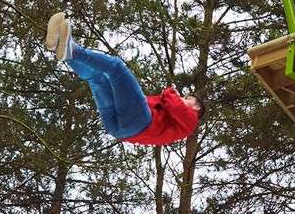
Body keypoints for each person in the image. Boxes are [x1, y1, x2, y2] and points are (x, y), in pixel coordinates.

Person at [44, 12, 202, 146]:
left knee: (116, 68)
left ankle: (73, 50)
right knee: (97, 79)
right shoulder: (176, 123)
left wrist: (170, 91)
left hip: (140, 123)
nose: (183, 97)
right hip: (119, 130)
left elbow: (173, 102)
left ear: (196, 108)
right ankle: (60, 46)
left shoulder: (191, 121)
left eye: (187, 98)